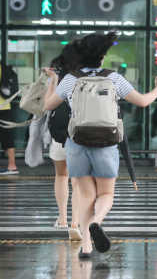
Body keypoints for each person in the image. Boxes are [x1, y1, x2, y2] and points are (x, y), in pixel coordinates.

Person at [44, 31, 157, 259]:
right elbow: (142, 101)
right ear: (102, 57)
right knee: (106, 194)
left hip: (76, 143)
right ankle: (97, 222)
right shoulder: (113, 78)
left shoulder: (71, 78)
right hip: (106, 142)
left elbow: (49, 105)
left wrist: (53, 81)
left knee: (86, 195)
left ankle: (87, 247)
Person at [48, 45, 82, 240]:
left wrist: (52, 80)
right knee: (78, 180)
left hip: (59, 135)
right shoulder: (85, 76)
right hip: (80, 134)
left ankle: (62, 219)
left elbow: (48, 104)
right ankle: (75, 222)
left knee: (61, 175)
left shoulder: (59, 77)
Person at [0, 63, 18, 175]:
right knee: (6, 135)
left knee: (6, 135)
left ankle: (12, 165)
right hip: (4, 106)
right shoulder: (3, 67)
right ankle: (12, 165)